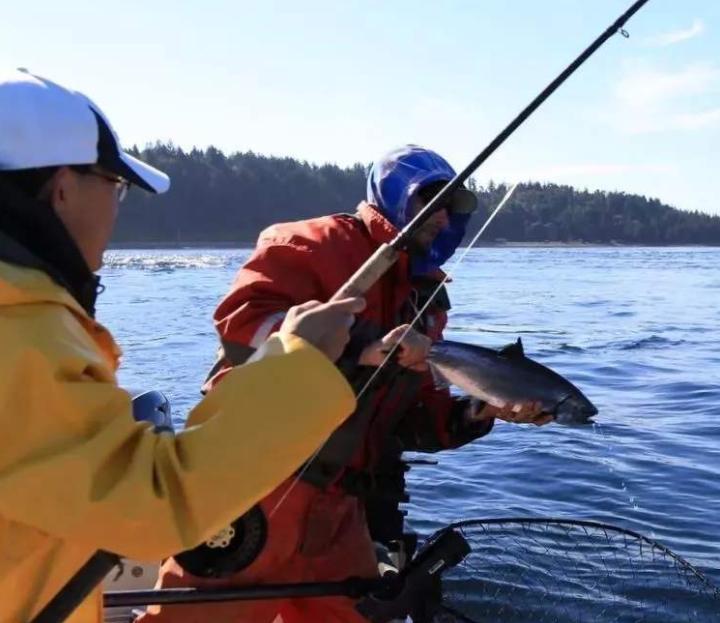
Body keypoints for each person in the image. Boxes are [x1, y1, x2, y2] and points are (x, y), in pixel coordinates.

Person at [0, 68, 364, 623]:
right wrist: (301, 362)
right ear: (63, 188)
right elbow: (151, 506)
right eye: (115, 186)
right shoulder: (19, 329)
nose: (117, 207)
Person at [143, 145, 550, 623]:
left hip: (340, 509)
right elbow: (242, 325)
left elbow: (413, 414)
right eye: (430, 200)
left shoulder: (428, 297)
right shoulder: (312, 243)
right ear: (396, 195)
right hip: (255, 490)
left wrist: (480, 411)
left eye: (452, 206)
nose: (442, 216)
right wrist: (362, 347)